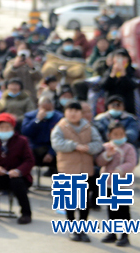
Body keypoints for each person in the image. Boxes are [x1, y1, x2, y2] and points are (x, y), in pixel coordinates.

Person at [50, 101, 104, 242]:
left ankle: (83, 229)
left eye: (76, 111)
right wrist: (74, 146)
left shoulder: (89, 127)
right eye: (70, 110)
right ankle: (72, 228)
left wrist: (89, 147)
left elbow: (98, 143)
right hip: (68, 168)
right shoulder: (60, 127)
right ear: (65, 112)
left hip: (85, 169)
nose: (73, 113)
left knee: (84, 202)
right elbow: (57, 143)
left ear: (81, 113)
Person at [0, 113, 33, 224]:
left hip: (18, 175)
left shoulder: (22, 141)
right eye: (1, 127)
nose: (4, 130)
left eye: (7, 127)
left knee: (17, 182)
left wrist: (18, 171)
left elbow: (29, 160)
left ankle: (26, 213)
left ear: (13, 128)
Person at [95, 121, 138, 247]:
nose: (119, 137)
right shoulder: (106, 147)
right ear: (109, 135)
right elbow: (99, 162)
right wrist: (107, 155)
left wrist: (120, 170)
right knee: (111, 209)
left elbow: (131, 163)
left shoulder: (129, 148)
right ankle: (112, 233)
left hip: (123, 184)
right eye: (115, 134)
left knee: (123, 210)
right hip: (108, 183)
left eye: (121, 134)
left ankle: (125, 235)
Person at [20, 95, 61, 175]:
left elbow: (61, 137)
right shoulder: (30, 116)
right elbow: (25, 132)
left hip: (53, 148)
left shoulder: (58, 117)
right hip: (34, 148)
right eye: (44, 109)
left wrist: (51, 153)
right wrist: (37, 120)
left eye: (49, 109)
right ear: (39, 106)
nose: (47, 112)